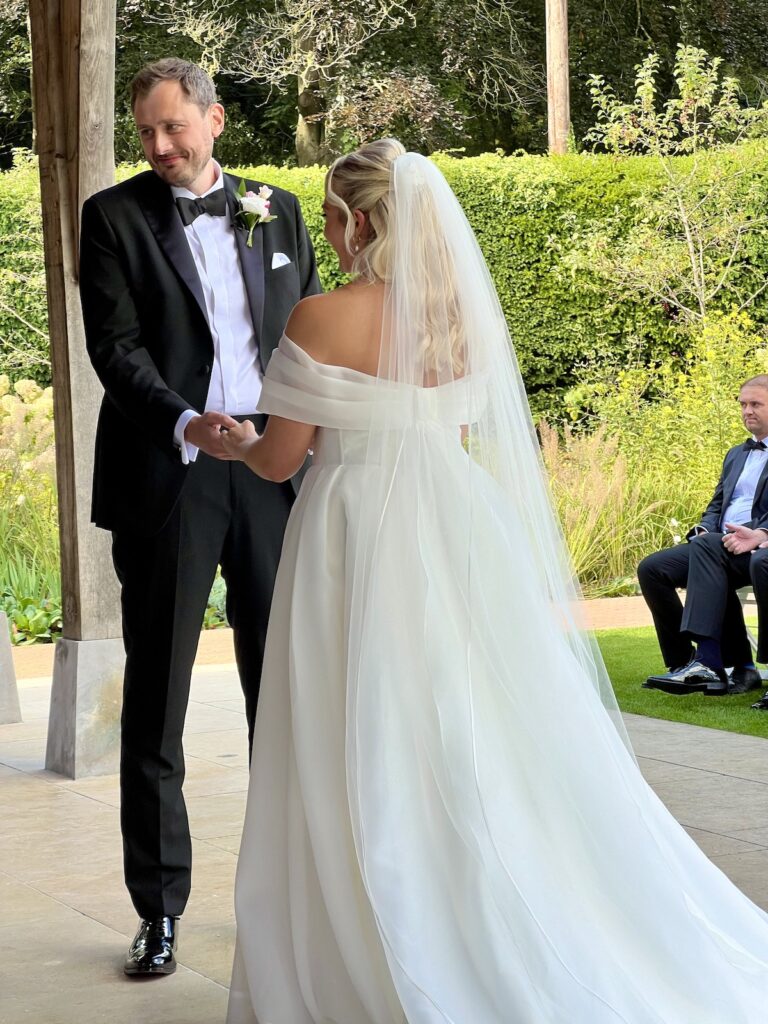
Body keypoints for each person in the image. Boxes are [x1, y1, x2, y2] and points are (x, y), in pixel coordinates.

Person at [220, 140, 768, 1023]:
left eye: (333, 211)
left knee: (355, 724)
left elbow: (282, 459)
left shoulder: (319, 318)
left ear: (364, 222)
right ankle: (484, 890)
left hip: (355, 537)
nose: (326, 227)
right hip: (454, 528)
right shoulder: (460, 320)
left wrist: (235, 443)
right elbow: (459, 435)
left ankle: (376, 929)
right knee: (472, 727)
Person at [78, 58, 321, 976]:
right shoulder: (111, 217)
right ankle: (161, 912)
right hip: (169, 476)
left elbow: (300, 333)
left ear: (216, 120)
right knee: (158, 706)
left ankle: (286, 896)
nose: (159, 146)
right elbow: (116, 348)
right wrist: (189, 422)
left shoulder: (279, 206)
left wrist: (293, 436)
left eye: (174, 128)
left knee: (284, 701)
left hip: (272, 472)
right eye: (145, 132)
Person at [639, 377, 768, 702]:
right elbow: (717, 504)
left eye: (756, 404)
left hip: (755, 548)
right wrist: (703, 528)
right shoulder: (736, 455)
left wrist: (760, 534)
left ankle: (710, 663)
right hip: (719, 544)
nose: (747, 411)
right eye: (742, 404)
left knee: (709, 550)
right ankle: (683, 662)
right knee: (653, 568)